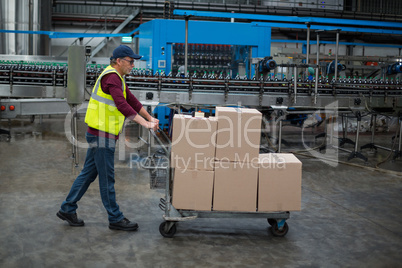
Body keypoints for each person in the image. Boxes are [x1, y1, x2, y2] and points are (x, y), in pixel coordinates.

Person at [57, 45, 159, 231]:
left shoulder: (117, 76)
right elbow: (122, 105)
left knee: (88, 173)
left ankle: (67, 208)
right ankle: (115, 218)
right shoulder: (111, 77)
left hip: (100, 134)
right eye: (130, 61)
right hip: (101, 136)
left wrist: (150, 117)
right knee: (107, 178)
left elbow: (131, 100)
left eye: (133, 61)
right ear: (119, 61)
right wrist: (144, 124)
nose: (133, 65)